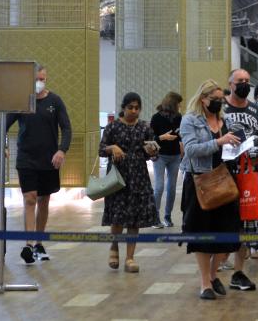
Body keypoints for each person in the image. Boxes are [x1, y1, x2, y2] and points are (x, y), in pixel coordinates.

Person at [180, 80, 243, 300]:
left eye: (220, 99)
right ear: (202, 99)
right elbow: (190, 150)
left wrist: (236, 145)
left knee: (228, 233)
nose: (217, 103)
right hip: (201, 181)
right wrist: (219, 142)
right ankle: (205, 283)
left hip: (225, 179)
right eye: (213, 99)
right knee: (203, 233)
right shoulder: (190, 120)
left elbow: (228, 144)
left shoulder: (224, 120)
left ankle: (214, 274)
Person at [7, 64, 71, 264]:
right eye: (36, 79)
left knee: (44, 200)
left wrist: (62, 150)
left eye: (43, 79)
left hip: (49, 159)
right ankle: (28, 244)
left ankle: (39, 242)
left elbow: (66, 128)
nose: (39, 82)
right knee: (30, 198)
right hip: (26, 158)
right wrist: (2, 146)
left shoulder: (55, 101)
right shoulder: (21, 100)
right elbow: (2, 125)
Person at [99, 93, 160, 273]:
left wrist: (151, 151)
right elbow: (101, 150)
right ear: (123, 108)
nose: (134, 111)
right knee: (117, 216)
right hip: (118, 177)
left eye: (137, 108)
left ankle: (130, 257)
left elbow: (152, 154)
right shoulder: (112, 127)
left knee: (134, 219)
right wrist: (112, 147)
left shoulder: (144, 128)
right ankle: (114, 247)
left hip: (139, 177)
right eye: (130, 108)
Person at [224, 69, 258, 288]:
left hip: (250, 172)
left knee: (248, 222)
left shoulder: (255, 109)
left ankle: (238, 271)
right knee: (223, 221)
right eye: (240, 81)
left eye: (247, 81)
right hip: (225, 173)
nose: (244, 84)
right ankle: (215, 267)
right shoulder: (221, 107)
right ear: (230, 83)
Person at [150, 92, 183, 228]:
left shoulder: (179, 117)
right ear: (173, 104)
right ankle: (155, 216)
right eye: (178, 103)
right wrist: (162, 137)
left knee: (172, 187)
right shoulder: (156, 118)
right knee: (159, 186)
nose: (180, 106)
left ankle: (167, 216)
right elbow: (150, 139)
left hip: (175, 155)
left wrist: (181, 141)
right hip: (160, 155)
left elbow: (180, 135)